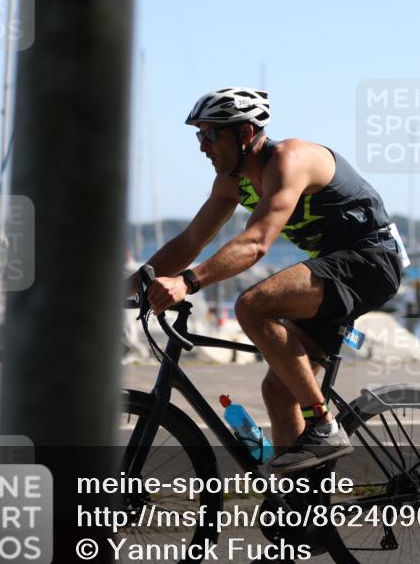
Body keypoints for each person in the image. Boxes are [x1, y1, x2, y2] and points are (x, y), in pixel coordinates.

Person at [128, 87, 405, 477]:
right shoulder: (233, 180)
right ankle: (299, 504)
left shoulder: (289, 160)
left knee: (253, 305)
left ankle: (324, 425)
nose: (203, 146)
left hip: (371, 260)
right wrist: (123, 291)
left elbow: (256, 243)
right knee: (278, 391)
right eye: (198, 135)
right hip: (333, 267)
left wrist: (187, 283)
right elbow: (189, 242)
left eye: (210, 135)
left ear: (244, 134)